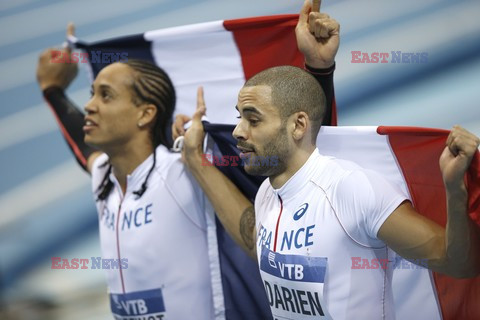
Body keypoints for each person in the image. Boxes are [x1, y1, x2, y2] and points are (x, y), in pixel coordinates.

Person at [35, 1, 339, 317]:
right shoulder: (106, 178)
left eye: (105, 95)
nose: (89, 107)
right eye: (91, 95)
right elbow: (83, 149)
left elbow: (301, 154)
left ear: (145, 113)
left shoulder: (183, 170)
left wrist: (318, 69)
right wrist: (53, 89)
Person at [180, 3, 480, 320]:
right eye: (240, 118)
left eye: (253, 120)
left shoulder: (351, 189)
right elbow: (259, 244)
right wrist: (198, 160)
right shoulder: (269, 192)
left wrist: (454, 189)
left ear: (298, 125)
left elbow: (456, 262)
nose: (238, 131)